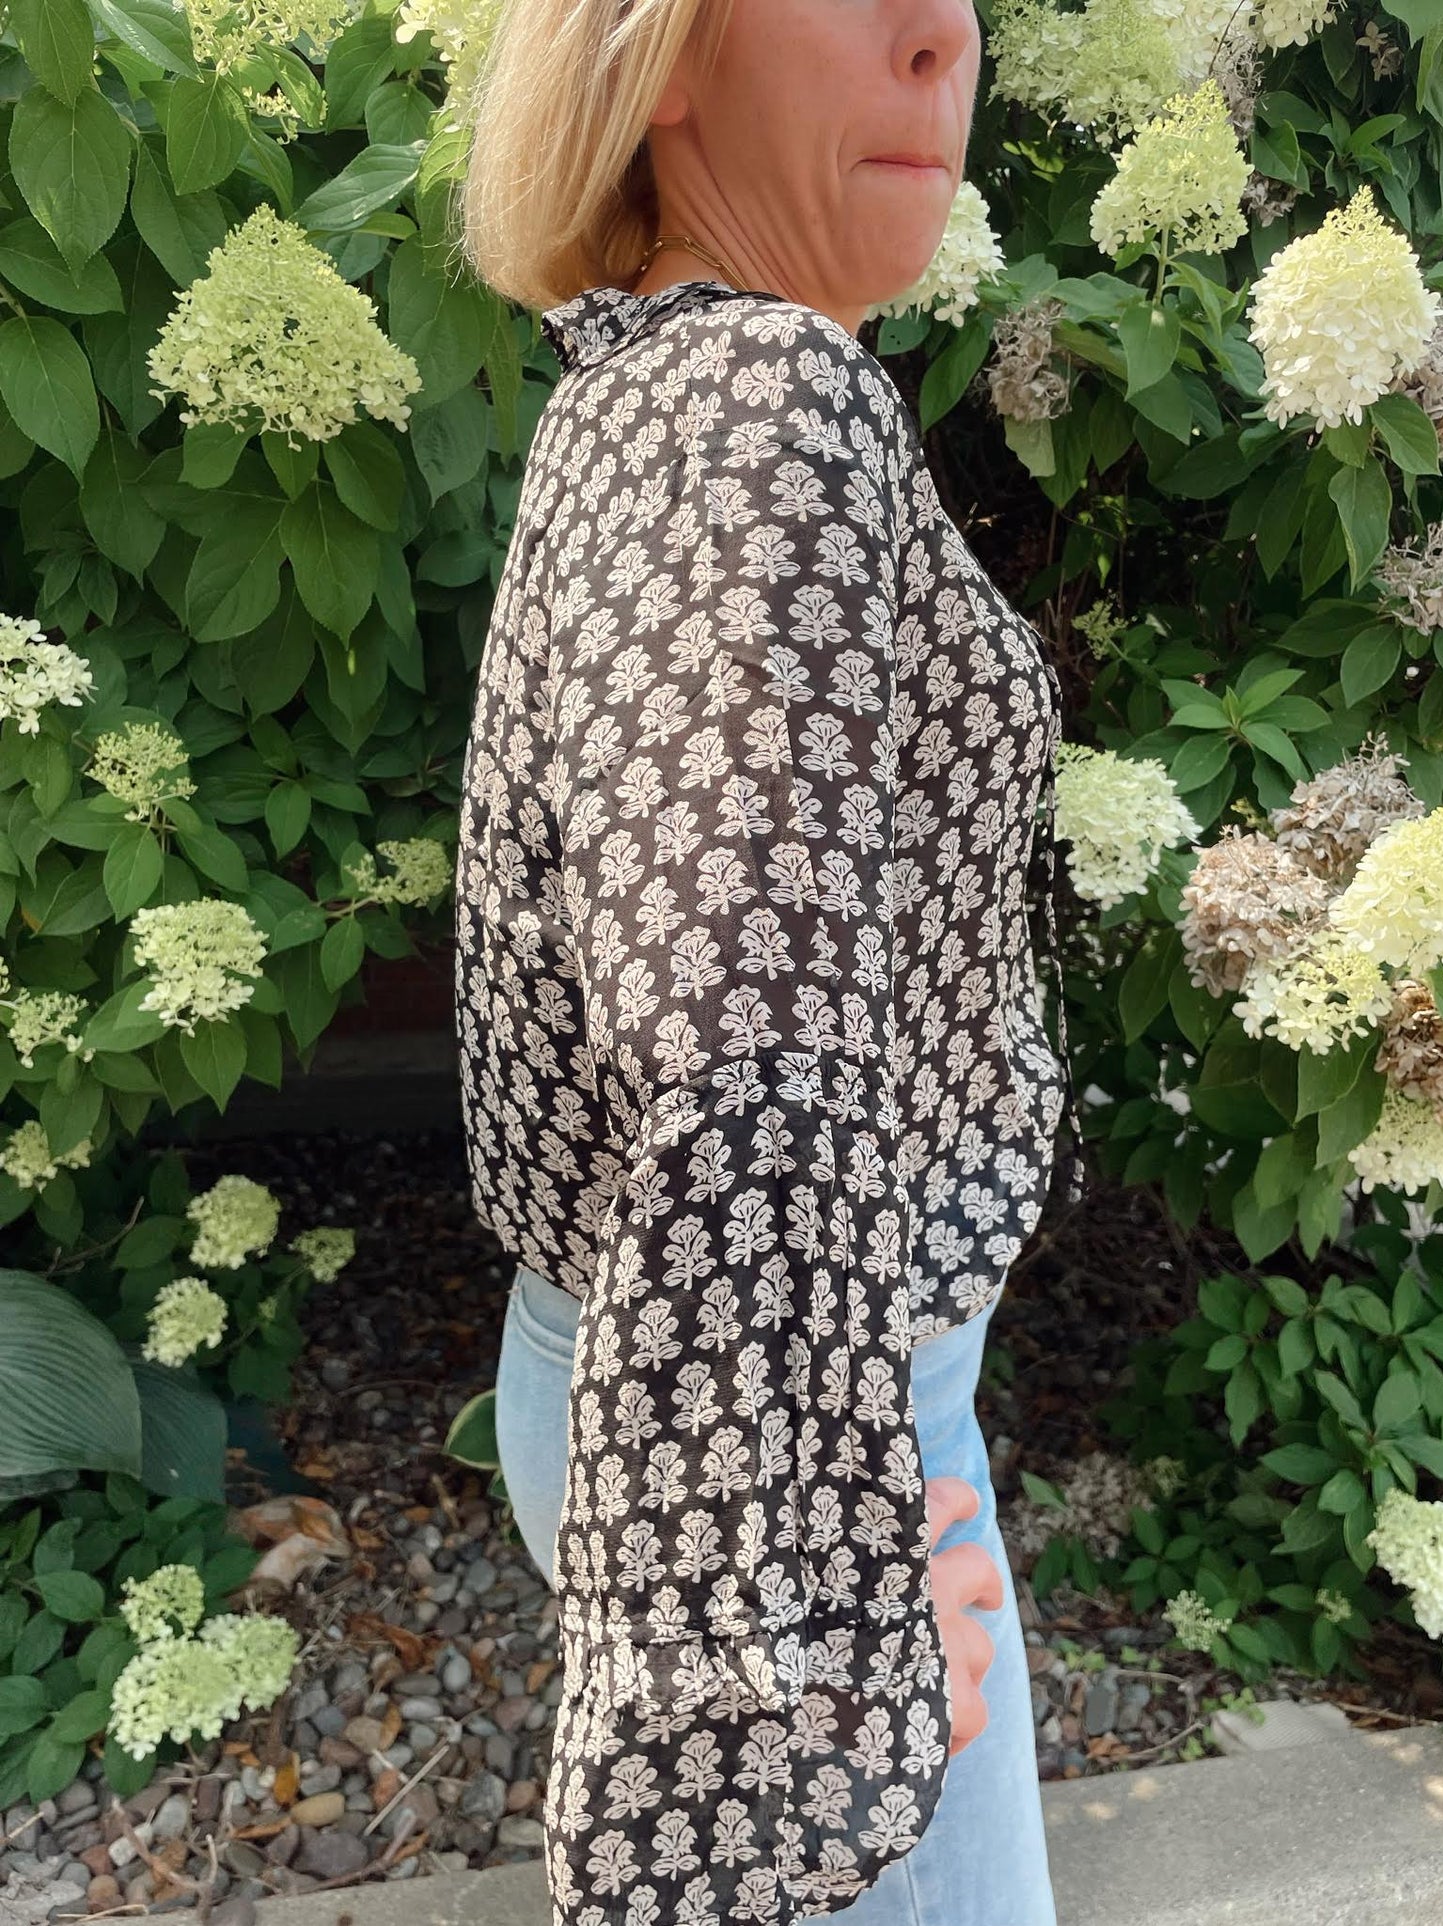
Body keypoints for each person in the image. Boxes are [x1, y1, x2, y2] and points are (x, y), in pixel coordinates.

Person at [452, 2, 1086, 1921]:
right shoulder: (760, 394)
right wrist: (819, 1598)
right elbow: (740, 1056)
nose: (942, 34)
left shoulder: (644, 376)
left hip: (710, 1382)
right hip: (784, 1420)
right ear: (659, 55)